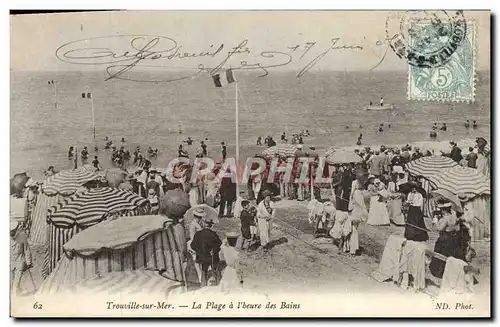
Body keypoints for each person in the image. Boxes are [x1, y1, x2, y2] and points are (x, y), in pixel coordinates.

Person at [429, 202, 469, 278]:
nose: (441, 210)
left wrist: (435, 221)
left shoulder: (445, 219)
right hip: (453, 239)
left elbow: (439, 229)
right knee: (454, 256)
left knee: (442, 255)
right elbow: (457, 229)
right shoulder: (453, 217)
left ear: (444, 210)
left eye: (441, 209)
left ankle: (441, 272)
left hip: (444, 240)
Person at [190, 215, 222, 287]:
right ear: (210, 225)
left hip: (202, 257)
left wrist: (199, 251)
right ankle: (217, 285)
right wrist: (214, 250)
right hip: (212, 257)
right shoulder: (213, 234)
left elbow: (193, 246)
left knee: (204, 271)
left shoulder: (198, 234)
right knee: (215, 271)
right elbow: (219, 245)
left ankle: (203, 286)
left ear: (203, 224)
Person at [11, 221, 33, 296]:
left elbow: (26, 250)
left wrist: (29, 262)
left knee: (17, 280)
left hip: (20, 261)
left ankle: (15, 295)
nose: (12, 232)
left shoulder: (22, 236)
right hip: (10, 262)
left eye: (13, 230)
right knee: (11, 280)